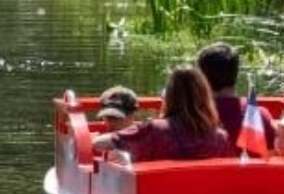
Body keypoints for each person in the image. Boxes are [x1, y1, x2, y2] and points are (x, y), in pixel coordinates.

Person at [94, 63, 230, 163]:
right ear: (205, 97)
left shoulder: (153, 130)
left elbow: (98, 144)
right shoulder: (220, 138)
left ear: (169, 97)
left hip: (155, 193)